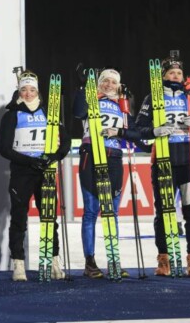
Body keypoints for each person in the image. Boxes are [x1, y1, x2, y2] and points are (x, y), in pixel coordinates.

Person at [134, 54, 190, 277]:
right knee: (163, 211)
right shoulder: (153, 97)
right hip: (163, 161)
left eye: (179, 73)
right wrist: (154, 131)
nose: (176, 76)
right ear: (163, 76)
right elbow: (138, 129)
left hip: (189, 162)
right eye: (171, 73)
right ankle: (164, 260)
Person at [0, 70, 70, 281]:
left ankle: (53, 261)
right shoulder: (12, 115)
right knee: (19, 219)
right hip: (22, 172)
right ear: (19, 91)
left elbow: (65, 140)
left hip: (46, 171)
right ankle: (18, 264)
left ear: (38, 92)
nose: (28, 94)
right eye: (24, 90)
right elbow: (4, 148)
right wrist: (29, 161)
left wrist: (54, 157)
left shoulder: (49, 113)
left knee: (49, 218)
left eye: (32, 90)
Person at [73, 67, 141, 278]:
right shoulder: (91, 97)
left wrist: (120, 131)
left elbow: (134, 132)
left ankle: (114, 261)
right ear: (99, 82)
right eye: (105, 81)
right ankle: (90, 263)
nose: (109, 85)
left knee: (112, 212)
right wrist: (85, 87)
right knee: (91, 211)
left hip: (114, 157)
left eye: (113, 82)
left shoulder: (122, 104)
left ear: (118, 85)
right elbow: (78, 112)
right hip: (91, 154)